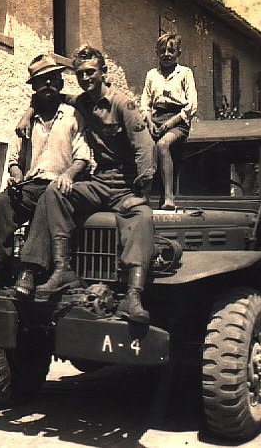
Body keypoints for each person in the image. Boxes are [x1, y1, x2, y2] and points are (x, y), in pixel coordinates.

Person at [18, 45, 156, 324]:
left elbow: (145, 148)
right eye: (80, 74)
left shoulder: (124, 105)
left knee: (142, 217)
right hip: (98, 180)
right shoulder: (81, 102)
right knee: (54, 192)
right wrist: (28, 112)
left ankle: (133, 295)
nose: (85, 78)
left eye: (91, 72)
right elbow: (52, 97)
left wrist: (142, 191)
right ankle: (61, 271)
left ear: (103, 73)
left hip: (125, 185)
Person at [0, 54, 91, 298]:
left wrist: (70, 175)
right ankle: (0, 265)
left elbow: (83, 157)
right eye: (42, 81)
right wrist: (16, 174)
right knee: (0, 203)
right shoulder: (27, 122)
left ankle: (29, 271)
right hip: (32, 184)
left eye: (53, 79)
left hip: (63, 186)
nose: (49, 85)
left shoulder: (74, 116)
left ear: (61, 83)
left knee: (47, 199)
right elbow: (14, 158)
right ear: (34, 88)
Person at [140, 33, 197, 210]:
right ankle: (144, 195)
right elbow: (145, 102)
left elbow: (192, 104)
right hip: (156, 118)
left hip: (178, 120)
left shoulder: (185, 73)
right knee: (144, 147)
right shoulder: (151, 75)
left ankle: (169, 197)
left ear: (178, 52)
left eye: (171, 50)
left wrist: (171, 122)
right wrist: (149, 120)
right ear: (156, 52)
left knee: (163, 145)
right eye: (162, 50)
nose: (166, 54)